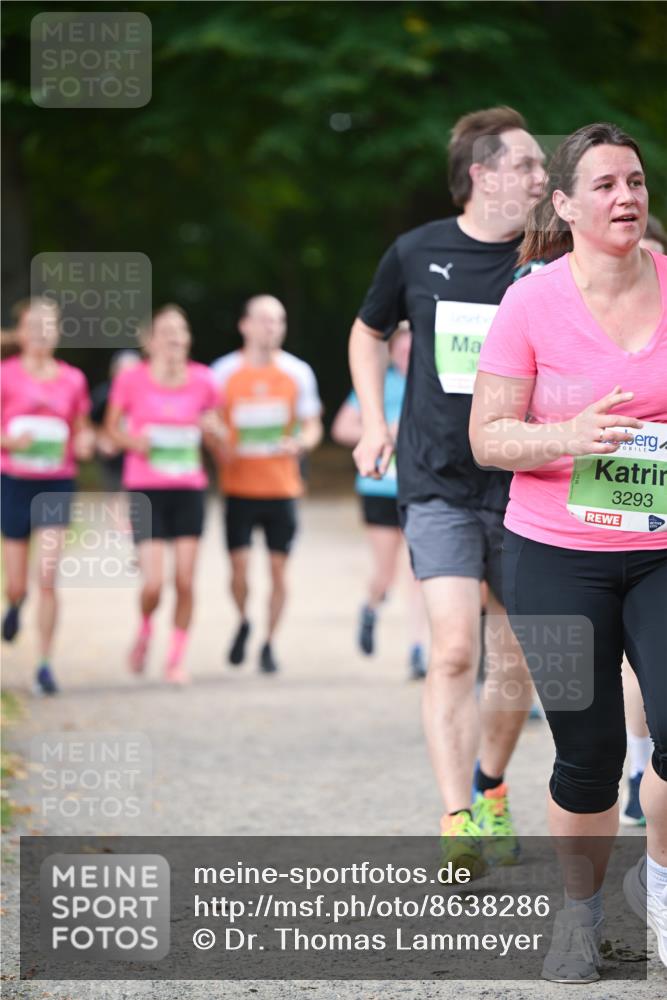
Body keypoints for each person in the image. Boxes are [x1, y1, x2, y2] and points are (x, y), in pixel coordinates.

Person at [470, 123, 667, 980]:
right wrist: (570, 436)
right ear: (563, 204)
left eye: (634, 181)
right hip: (554, 551)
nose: (624, 197)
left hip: (662, 548)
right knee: (586, 758)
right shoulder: (530, 301)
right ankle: (579, 917)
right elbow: (487, 438)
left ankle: (658, 895)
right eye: (603, 186)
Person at [350, 106, 544, 873]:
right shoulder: (416, 250)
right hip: (435, 482)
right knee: (454, 649)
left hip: (525, 483)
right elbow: (368, 331)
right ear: (482, 175)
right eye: (527, 165)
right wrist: (373, 420)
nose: (540, 176)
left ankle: (490, 784)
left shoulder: (552, 259)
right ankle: (456, 815)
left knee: (517, 658)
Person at [105, 305, 224, 685]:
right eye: (167, 331)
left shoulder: (204, 380)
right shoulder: (131, 380)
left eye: (181, 331)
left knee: (185, 581)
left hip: (189, 489)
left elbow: (222, 437)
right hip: (146, 489)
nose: (175, 338)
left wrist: (213, 429)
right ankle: (144, 630)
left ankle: (175, 658)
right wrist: (132, 441)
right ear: (150, 341)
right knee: (154, 582)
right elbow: (111, 429)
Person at [211, 295, 323, 674]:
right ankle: (243, 619)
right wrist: (218, 444)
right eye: (263, 320)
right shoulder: (222, 373)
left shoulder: (298, 373)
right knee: (238, 572)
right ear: (244, 325)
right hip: (239, 489)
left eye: (278, 321)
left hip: (282, 489)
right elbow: (207, 420)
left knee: (278, 572)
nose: (271, 327)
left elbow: (312, 423)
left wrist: (302, 443)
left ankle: (270, 642)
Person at [1, 297, 94, 693]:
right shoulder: (4, 376)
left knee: (48, 575)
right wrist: (9, 441)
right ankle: (15, 604)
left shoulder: (73, 379)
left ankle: (43, 664)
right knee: (18, 582)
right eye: (34, 324)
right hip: (14, 483)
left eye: (49, 325)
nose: (41, 332)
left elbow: (82, 427)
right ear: (21, 332)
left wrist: (87, 441)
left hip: (57, 482)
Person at [331, 322, 428, 679]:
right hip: (380, 488)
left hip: (421, 488)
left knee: (418, 572)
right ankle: (371, 606)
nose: (406, 354)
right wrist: (384, 431)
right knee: (386, 573)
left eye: (412, 348)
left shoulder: (432, 384)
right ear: (390, 351)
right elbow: (341, 429)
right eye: (400, 348)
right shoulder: (377, 385)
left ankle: (417, 650)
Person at [91, 350, 141, 493]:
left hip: (140, 451)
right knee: (116, 493)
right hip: (114, 456)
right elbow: (90, 423)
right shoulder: (104, 395)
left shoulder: (149, 394)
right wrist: (101, 440)